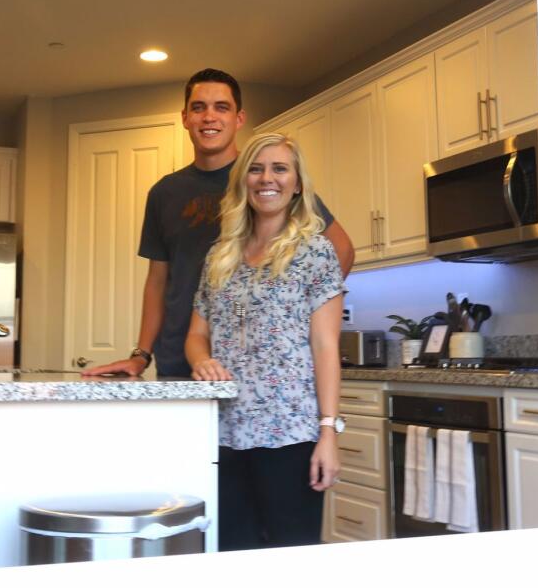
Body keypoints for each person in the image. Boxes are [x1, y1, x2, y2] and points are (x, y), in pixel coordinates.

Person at [81, 68, 353, 378]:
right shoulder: (164, 193)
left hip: (252, 365)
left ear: (239, 119)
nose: (209, 117)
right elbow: (157, 281)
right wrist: (141, 355)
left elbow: (341, 249)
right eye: (199, 108)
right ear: (185, 118)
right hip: (180, 364)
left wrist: (287, 320)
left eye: (221, 107)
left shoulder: (268, 181)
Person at [186, 132, 343, 551]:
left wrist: (328, 432)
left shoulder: (316, 252)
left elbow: (326, 346)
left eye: (279, 169)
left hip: (290, 432)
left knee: (291, 554)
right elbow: (197, 335)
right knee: (232, 551)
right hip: (225, 431)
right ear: (242, 182)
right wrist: (201, 361)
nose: (266, 178)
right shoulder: (220, 255)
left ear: (297, 184)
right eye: (255, 169)